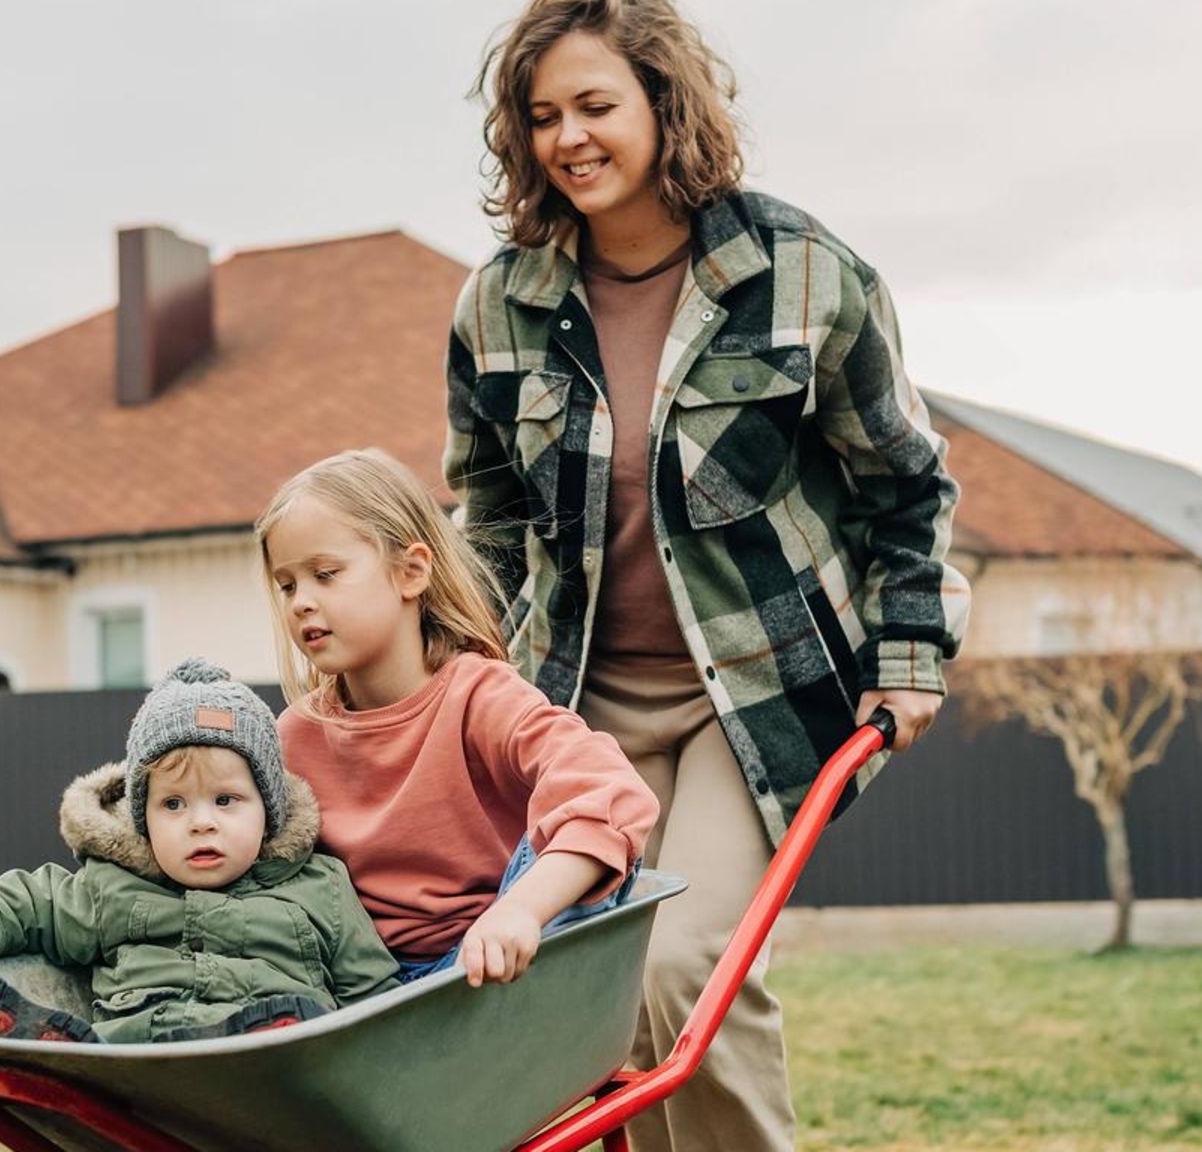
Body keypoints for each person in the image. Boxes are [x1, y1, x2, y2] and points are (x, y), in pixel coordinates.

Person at [448, 1, 973, 1146]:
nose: (568, 138)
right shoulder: (499, 305)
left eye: (595, 105)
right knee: (593, 989)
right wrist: (454, 685)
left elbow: (902, 482)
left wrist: (909, 653)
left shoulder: (800, 275)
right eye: (541, 115)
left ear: (663, 104)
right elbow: (485, 523)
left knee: (681, 964)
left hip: (756, 694)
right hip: (575, 704)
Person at [259, 447, 660, 986]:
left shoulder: (478, 696)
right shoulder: (294, 737)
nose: (301, 602)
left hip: (493, 957)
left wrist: (520, 911)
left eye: (325, 574)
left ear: (411, 572)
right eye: (287, 585)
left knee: (579, 829)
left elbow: (611, 789)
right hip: (368, 981)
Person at [0, 658, 399, 1043]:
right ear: (143, 817)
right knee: (116, 1055)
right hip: (138, 1058)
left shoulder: (318, 886)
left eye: (225, 801)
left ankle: (252, 1047)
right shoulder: (113, 885)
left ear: (268, 808)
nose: (201, 822)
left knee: (284, 1034)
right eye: (173, 804)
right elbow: (27, 901)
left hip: (274, 1055)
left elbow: (374, 994)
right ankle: (51, 1053)